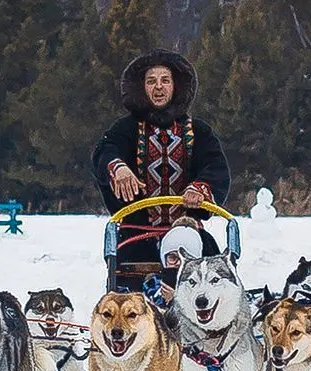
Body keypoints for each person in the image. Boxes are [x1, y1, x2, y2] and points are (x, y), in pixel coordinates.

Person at [90, 49, 231, 290]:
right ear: (141, 88)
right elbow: (105, 151)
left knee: (219, 274)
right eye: (151, 81)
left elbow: (215, 166)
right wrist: (118, 168)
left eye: (165, 80)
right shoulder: (125, 129)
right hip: (135, 233)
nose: (158, 88)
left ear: (176, 86)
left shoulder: (200, 131)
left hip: (188, 229)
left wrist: (201, 188)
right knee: (125, 288)